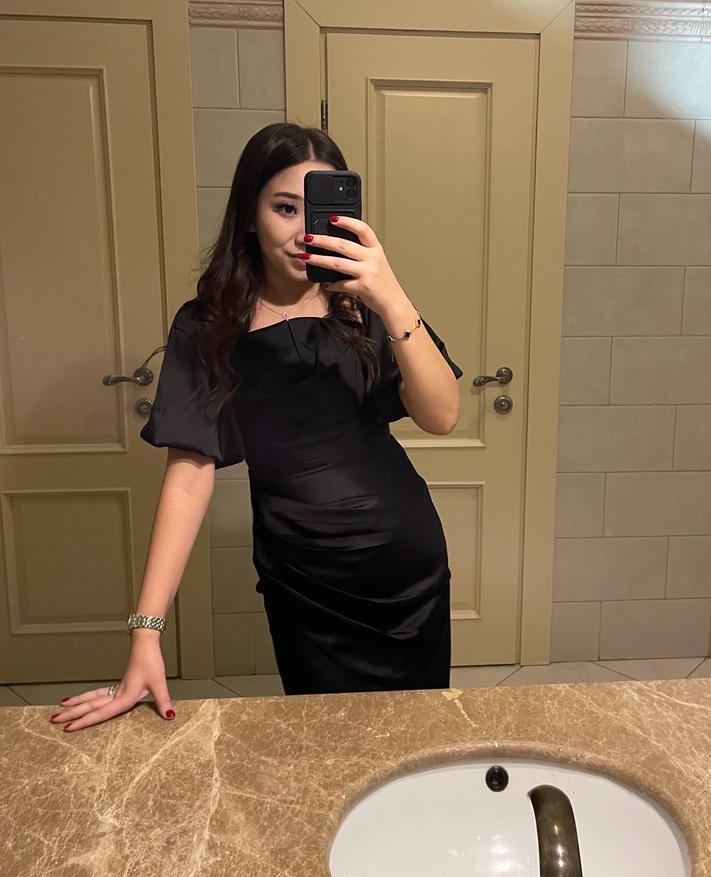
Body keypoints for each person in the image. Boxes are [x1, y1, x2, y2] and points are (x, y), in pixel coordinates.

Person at [52, 123, 463, 732]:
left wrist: (392, 298)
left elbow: (442, 415)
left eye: (315, 210)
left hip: (404, 562)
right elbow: (189, 476)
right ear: (249, 214)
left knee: (415, 739)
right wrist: (146, 633)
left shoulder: (368, 304)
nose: (303, 231)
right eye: (284, 208)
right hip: (303, 577)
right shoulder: (208, 325)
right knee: (324, 742)